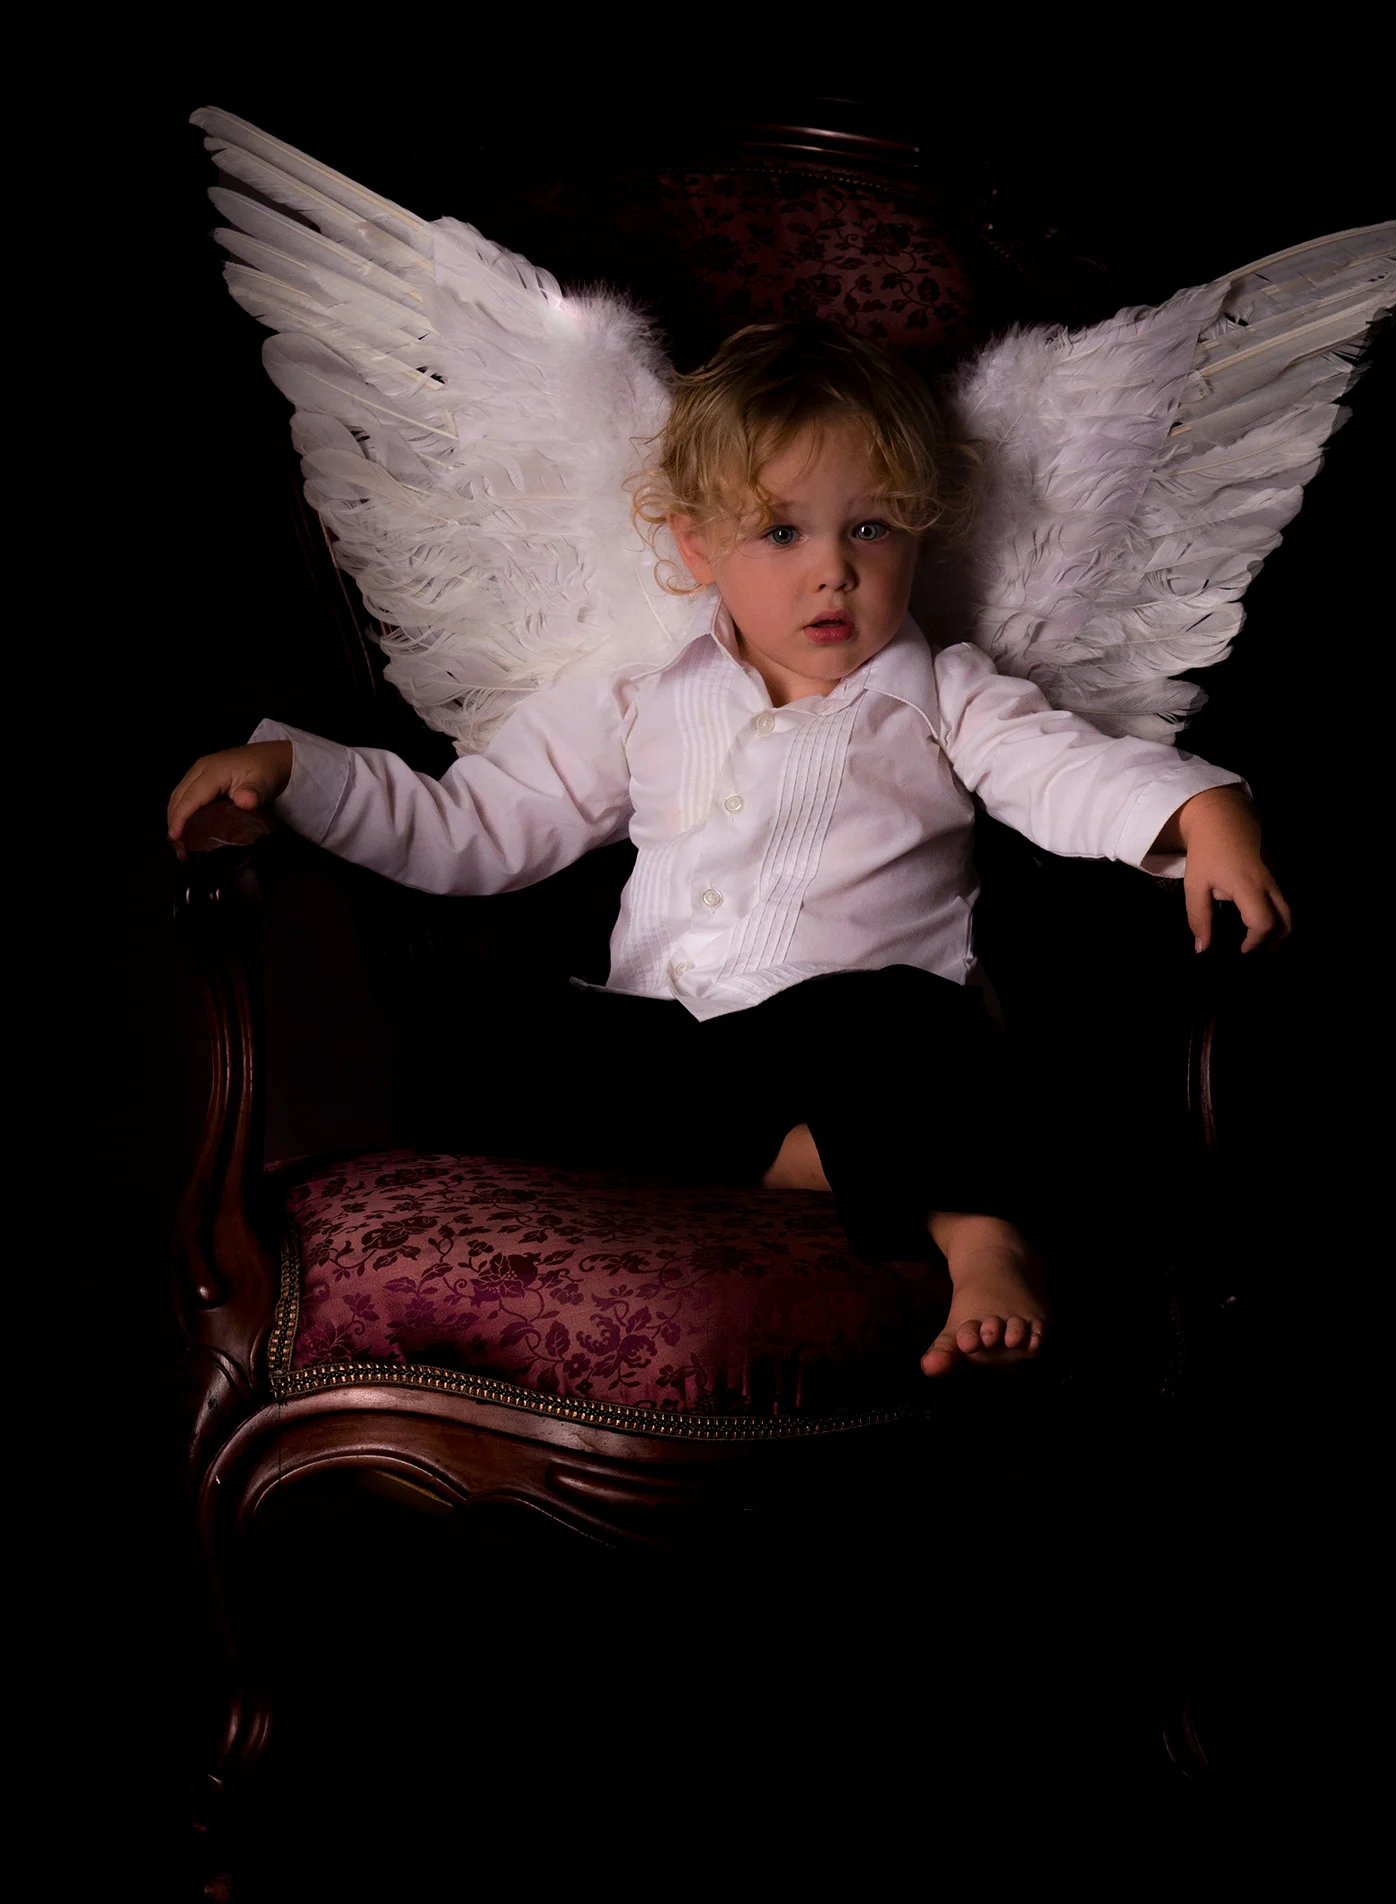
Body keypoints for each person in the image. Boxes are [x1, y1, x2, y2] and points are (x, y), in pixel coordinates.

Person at [167, 323, 1290, 1376]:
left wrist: (1196, 811)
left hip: (847, 1033)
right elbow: (476, 827)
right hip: (669, 1040)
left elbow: (1067, 771)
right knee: (474, 1044)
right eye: (781, 532)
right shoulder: (640, 698)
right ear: (697, 544)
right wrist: (302, 773)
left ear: (921, 532)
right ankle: (819, 1161)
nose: (832, 571)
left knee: (915, 1022)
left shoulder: (950, 697)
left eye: (871, 528)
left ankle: (979, 1231)